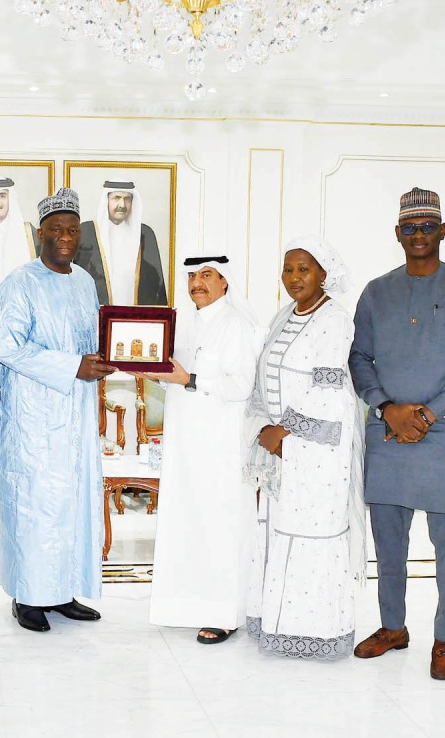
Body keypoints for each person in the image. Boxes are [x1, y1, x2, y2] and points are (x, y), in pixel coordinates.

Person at [348, 187, 445, 680]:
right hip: (388, 433)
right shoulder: (376, 291)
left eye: (427, 226)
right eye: (410, 227)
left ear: (442, 230)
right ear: (397, 233)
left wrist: (429, 414)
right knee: (389, 544)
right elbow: (358, 357)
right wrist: (386, 407)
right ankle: (393, 627)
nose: (418, 235)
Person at [0, 187, 117, 632]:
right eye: (56, 229)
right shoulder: (18, 284)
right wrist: (73, 366)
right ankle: (28, 595)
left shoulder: (83, 282)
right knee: (35, 505)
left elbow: (92, 340)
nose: (65, 237)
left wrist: (105, 358)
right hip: (34, 418)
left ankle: (62, 591)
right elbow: (8, 348)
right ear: (40, 233)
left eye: (72, 230)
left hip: (77, 415)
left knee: (71, 503)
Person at [246, 237, 366, 660]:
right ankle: (276, 624)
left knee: (311, 531)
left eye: (304, 269)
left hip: (318, 449)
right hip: (282, 446)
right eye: (288, 269)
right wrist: (263, 427)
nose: (294, 278)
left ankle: (316, 633)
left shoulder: (335, 318)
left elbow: (329, 390)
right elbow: (262, 378)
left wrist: (283, 431)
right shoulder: (284, 315)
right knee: (279, 527)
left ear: (324, 274)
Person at [141, 253, 260, 644]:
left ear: (225, 281)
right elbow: (173, 376)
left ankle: (224, 614)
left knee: (221, 525)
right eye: (192, 276)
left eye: (207, 275)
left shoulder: (237, 325)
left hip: (221, 446)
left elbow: (240, 386)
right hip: (184, 443)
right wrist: (151, 371)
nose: (197, 283)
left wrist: (190, 379)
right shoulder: (183, 323)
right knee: (185, 521)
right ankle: (182, 607)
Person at [76, 180, 168, 306]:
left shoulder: (145, 233)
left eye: (127, 199)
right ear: (106, 200)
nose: (122, 204)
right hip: (96, 313)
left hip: (136, 315)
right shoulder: (87, 231)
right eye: (116, 198)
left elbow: (155, 284)